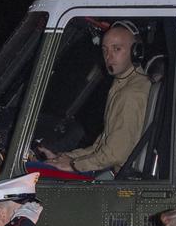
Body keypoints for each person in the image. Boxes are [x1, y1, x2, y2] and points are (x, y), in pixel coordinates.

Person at [40, 21, 151, 175]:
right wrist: (64, 158)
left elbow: (115, 154)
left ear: (136, 52)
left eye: (116, 49)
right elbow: (102, 146)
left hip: (123, 180)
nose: (108, 57)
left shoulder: (132, 93)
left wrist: (74, 165)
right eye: (105, 50)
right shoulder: (122, 85)